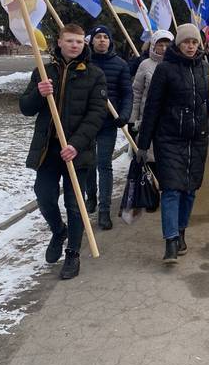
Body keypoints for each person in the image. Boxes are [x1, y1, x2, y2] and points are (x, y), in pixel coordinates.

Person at [136, 23, 209, 264]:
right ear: (178, 44)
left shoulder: (203, 67)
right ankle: (170, 241)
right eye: (186, 42)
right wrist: (143, 143)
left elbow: (204, 99)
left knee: (189, 190)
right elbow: (152, 108)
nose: (190, 46)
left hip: (196, 139)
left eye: (194, 42)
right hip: (168, 139)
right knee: (171, 190)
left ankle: (180, 232)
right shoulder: (165, 70)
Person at [19, 23, 108, 279]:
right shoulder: (43, 72)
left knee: (74, 203)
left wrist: (76, 144)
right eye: (69, 41)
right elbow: (26, 108)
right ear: (59, 42)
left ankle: (72, 253)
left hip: (76, 152)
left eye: (79, 42)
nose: (74, 46)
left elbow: (96, 115)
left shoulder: (94, 75)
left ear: (84, 45)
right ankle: (59, 231)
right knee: (44, 196)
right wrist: (39, 93)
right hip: (48, 150)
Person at [87, 25, 132, 230]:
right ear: (92, 41)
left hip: (108, 123)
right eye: (98, 37)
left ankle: (104, 211)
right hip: (85, 123)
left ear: (110, 41)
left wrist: (124, 115)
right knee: (88, 163)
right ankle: (91, 197)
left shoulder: (120, 64)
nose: (102, 40)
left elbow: (127, 93)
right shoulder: (84, 63)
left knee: (103, 164)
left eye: (106, 37)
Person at [130, 30, 174, 159]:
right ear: (153, 45)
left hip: (170, 121)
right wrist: (133, 119)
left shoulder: (177, 65)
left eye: (167, 44)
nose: (164, 48)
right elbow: (137, 92)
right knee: (148, 159)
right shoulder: (145, 65)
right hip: (147, 119)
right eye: (160, 45)